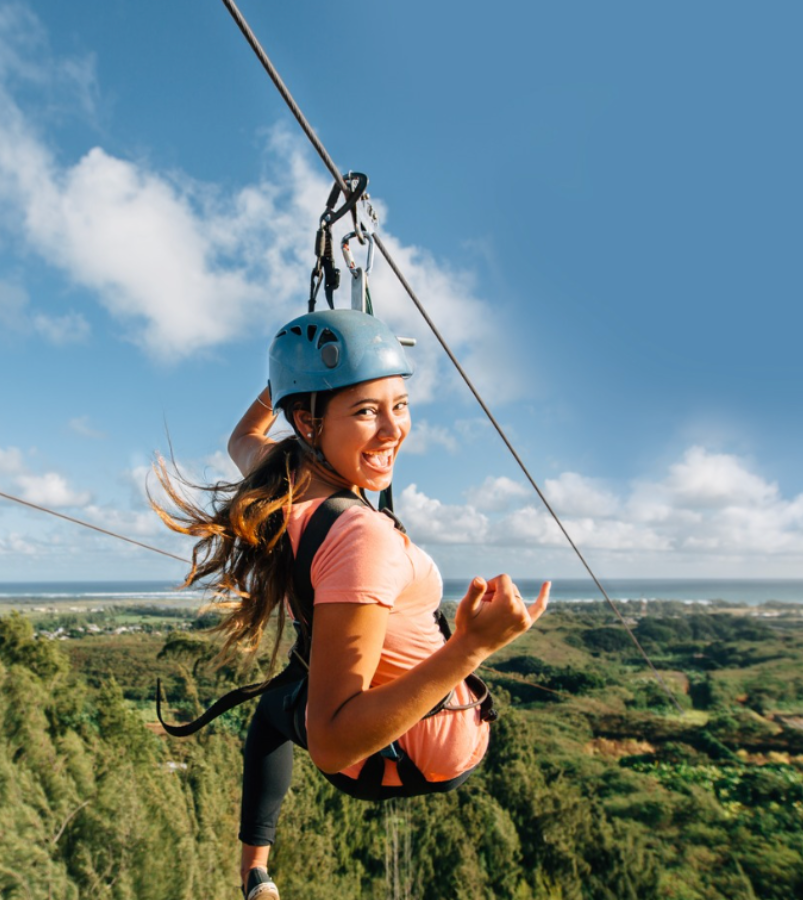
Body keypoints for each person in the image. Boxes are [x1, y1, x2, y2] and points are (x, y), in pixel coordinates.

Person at [154, 309, 549, 900]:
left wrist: (288, 379)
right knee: (284, 709)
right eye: (366, 411)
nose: (393, 430)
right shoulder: (361, 539)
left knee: (271, 713)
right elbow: (334, 743)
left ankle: (254, 873)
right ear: (307, 421)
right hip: (423, 749)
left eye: (400, 405)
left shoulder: (279, 477)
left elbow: (241, 438)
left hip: (390, 741)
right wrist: (472, 647)